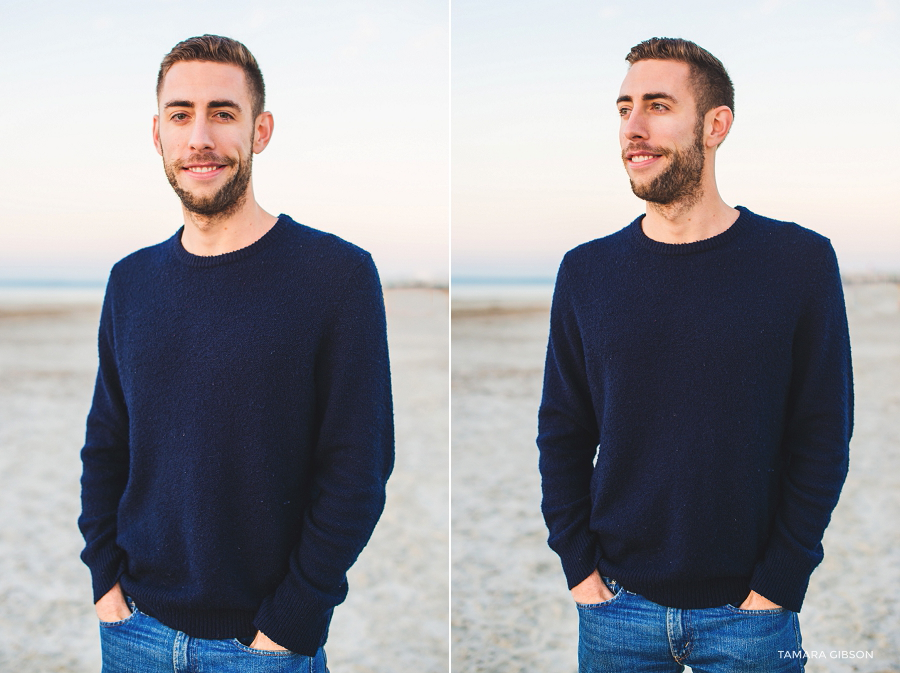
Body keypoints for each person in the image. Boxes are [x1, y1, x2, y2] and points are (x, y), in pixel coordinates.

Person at [78, 34, 393, 672]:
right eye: (180, 114)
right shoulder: (131, 281)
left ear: (260, 130)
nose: (200, 137)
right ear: (157, 133)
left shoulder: (337, 275)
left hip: (264, 644)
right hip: (133, 628)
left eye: (223, 113)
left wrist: (292, 620)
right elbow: (107, 443)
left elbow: (358, 468)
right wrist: (104, 583)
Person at [537, 37, 852, 673]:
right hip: (616, 608)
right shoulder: (586, 271)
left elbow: (822, 435)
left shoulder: (800, 263)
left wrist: (778, 585)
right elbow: (562, 433)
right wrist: (580, 572)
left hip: (753, 613)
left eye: (657, 105)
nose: (634, 127)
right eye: (624, 108)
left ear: (716, 125)